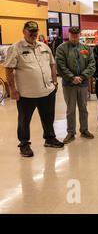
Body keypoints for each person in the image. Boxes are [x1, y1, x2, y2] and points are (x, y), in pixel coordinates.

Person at [4, 21, 64, 157]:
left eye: (35, 31)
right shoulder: (16, 48)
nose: (33, 34)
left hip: (47, 91)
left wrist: (54, 82)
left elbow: (52, 64)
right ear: (23, 31)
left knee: (48, 117)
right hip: (26, 94)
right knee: (24, 120)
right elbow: (8, 69)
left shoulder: (44, 46)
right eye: (30, 31)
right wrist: (13, 90)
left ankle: (49, 138)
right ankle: (24, 144)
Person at [56, 26, 96, 143]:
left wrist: (83, 76)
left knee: (83, 108)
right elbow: (60, 66)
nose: (74, 38)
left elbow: (92, 64)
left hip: (83, 84)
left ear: (79, 35)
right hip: (69, 84)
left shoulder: (86, 48)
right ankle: (70, 132)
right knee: (70, 109)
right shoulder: (61, 49)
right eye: (72, 36)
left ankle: (84, 130)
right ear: (68, 35)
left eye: (76, 35)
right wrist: (72, 77)